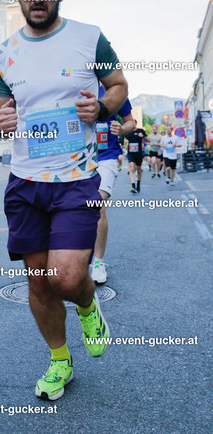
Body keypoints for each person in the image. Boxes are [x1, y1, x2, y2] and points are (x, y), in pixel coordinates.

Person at [0, 0, 128, 401]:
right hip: (25, 182)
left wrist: (102, 107)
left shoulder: (90, 38)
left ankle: (87, 304)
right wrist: (1, 121)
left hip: (76, 179)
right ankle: (60, 361)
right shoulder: (3, 54)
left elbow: (119, 86)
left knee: (67, 277)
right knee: (39, 281)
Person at [91, 85, 135, 284]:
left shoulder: (113, 90)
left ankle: (98, 263)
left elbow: (130, 121)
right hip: (76, 158)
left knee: (97, 204)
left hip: (106, 157)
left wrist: (122, 129)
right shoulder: (73, 86)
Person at [125, 125, 147, 193]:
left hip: (138, 154)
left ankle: (138, 184)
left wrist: (142, 136)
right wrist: (126, 141)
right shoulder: (128, 131)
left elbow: (147, 140)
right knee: (132, 168)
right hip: (130, 153)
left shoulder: (140, 131)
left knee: (139, 170)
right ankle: (133, 185)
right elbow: (125, 139)